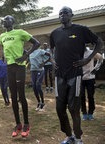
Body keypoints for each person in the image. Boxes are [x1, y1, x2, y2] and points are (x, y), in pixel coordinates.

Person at [50, 6, 102, 144]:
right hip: (59, 76)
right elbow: (51, 48)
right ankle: (69, 135)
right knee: (59, 108)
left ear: (71, 15)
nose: (62, 15)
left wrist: (87, 59)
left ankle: (78, 137)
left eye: (65, 13)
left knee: (73, 108)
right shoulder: (55, 33)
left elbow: (99, 42)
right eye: (60, 13)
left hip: (75, 75)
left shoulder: (81, 30)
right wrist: (53, 59)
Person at [0, 15, 40, 138]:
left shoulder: (20, 32)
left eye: (8, 19)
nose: (5, 20)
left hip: (20, 67)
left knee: (21, 95)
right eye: (4, 19)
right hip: (9, 67)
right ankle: (18, 124)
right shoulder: (2, 37)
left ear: (13, 22)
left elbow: (36, 43)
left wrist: (26, 55)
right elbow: (4, 48)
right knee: (13, 96)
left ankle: (26, 124)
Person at [81, 47, 103, 121]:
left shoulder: (91, 52)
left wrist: (96, 68)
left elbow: (101, 58)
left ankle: (90, 113)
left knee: (90, 96)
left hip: (90, 78)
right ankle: (84, 113)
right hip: (80, 79)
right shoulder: (76, 52)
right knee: (81, 97)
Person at [28, 47, 52, 112]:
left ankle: (43, 103)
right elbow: (29, 60)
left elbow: (49, 55)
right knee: (34, 87)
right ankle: (39, 102)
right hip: (33, 71)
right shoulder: (30, 52)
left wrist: (44, 63)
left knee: (38, 85)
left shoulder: (40, 51)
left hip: (40, 70)